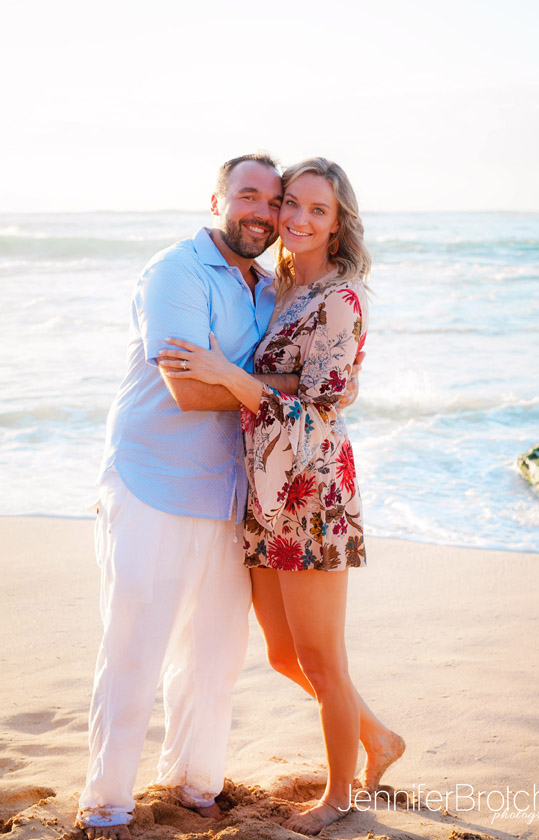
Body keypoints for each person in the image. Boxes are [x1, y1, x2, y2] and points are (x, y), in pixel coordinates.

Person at [159, 157, 405, 836]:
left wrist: (226, 375)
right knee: (283, 655)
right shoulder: (281, 286)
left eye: (315, 211)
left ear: (338, 223)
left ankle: (338, 794)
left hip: (311, 493)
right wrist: (253, 379)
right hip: (264, 488)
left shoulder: (340, 299)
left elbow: (321, 405)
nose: (294, 218)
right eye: (290, 204)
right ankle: (378, 736)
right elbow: (294, 385)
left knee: (323, 659)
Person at [77, 153, 304, 840]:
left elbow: (288, 384)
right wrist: (276, 390)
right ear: (217, 201)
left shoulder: (268, 288)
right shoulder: (176, 270)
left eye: (274, 201)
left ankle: (195, 783)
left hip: (228, 489)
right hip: (152, 479)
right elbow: (187, 389)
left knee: (215, 651)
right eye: (248, 196)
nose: (262, 212)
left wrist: (252, 382)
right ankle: (107, 803)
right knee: (136, 645)